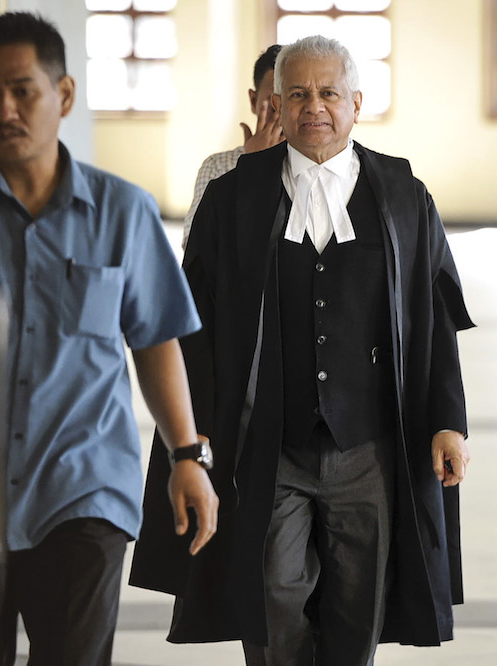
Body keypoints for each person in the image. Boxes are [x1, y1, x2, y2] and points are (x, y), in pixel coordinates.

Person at [130, 35, 473, 665]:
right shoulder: (233, 198)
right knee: (271, 595)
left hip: (369, 446)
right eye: (297, 94)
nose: (313, 106)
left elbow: (436, 316)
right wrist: (191, 440)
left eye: (328, 93)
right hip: (271, 443)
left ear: (357, 103)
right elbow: (194, 329)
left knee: (358, 607)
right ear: (276, 105)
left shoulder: (402, 195)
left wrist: (448, 421)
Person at [0, 12, 218, 665]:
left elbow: (155, 336)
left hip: (81, 488)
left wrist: (187, 456)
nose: (5, 109)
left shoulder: (123, 211)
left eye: (23, 89)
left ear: (64, 96)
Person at [180, 44, 284, 249]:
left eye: (293, 97)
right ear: (254, 101)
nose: (282, 111)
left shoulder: (315, 164)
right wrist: (253, 167)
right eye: (272, 100)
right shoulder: (218, 166)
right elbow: (195, 245)